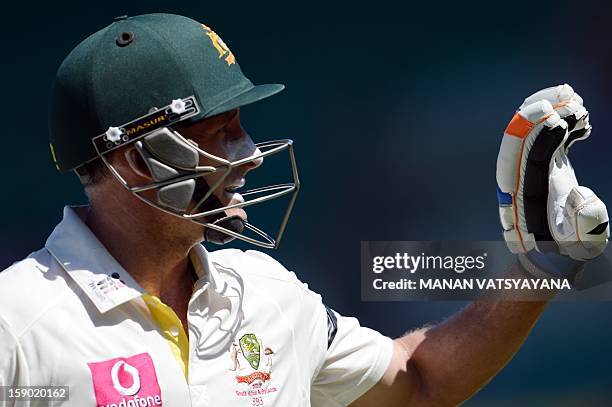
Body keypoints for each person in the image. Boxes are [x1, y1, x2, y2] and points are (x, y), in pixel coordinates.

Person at [0, 13, 608, 407]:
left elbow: (419, 380)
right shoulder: (16, 322)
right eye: (219, 132)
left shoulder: (268, 295)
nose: (250, 155)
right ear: (137, 159)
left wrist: (538, 265)